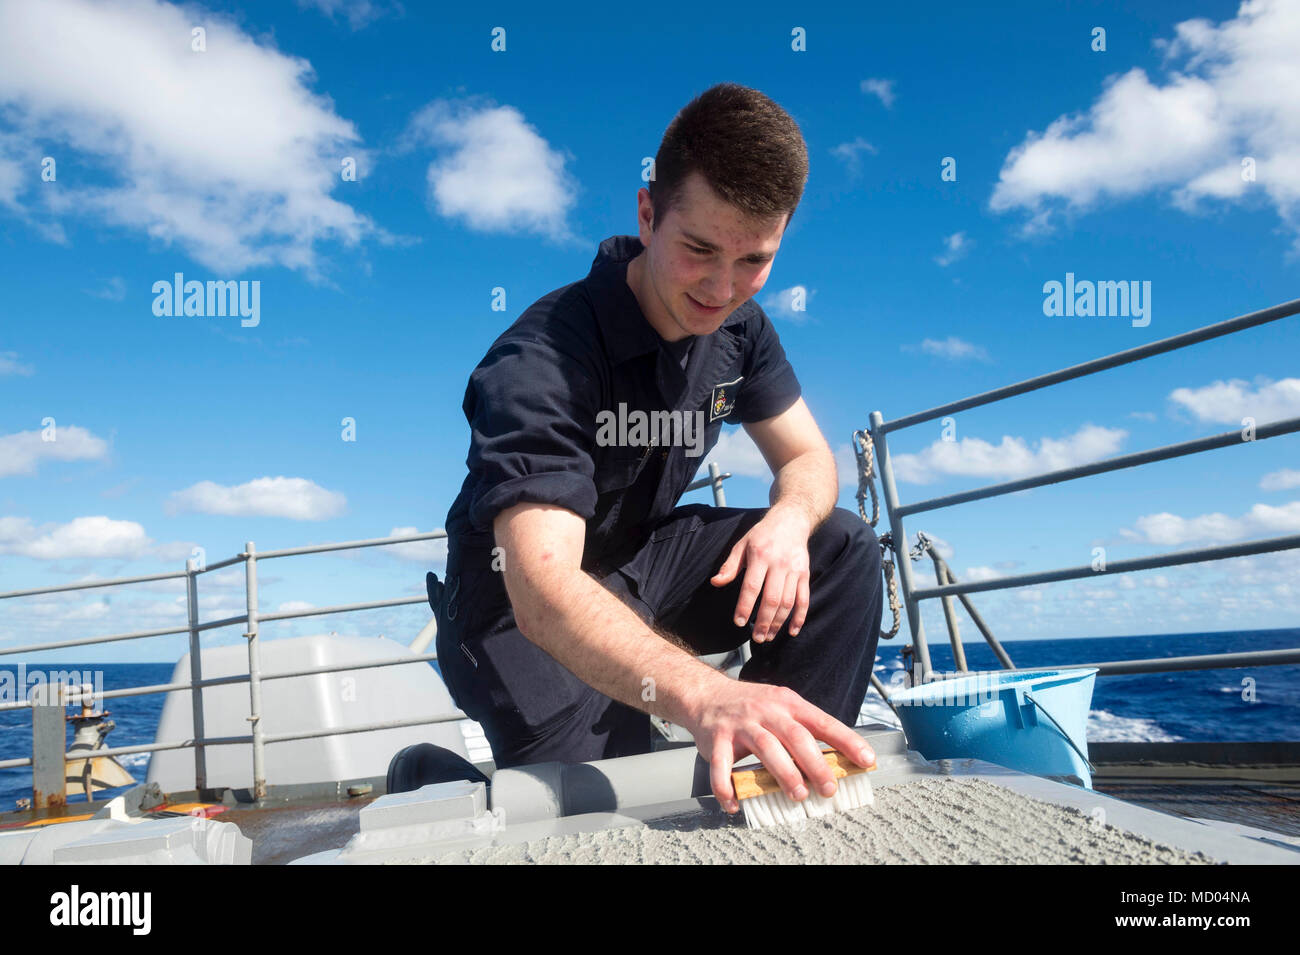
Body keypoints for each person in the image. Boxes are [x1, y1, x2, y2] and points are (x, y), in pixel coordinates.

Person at [430, 83, 883, 815]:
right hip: (515, 603)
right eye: (699, 249)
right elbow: (542, 586)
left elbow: (808, 460)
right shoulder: (541, 358)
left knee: (840, 547)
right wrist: (707, 693)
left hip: (639, 565)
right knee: (610, 809)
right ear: (647, 215)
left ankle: (783, 789)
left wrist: (789, 523)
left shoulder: (742, 330)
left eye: (754, 259)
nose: (723, 286)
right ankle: (435, 777)